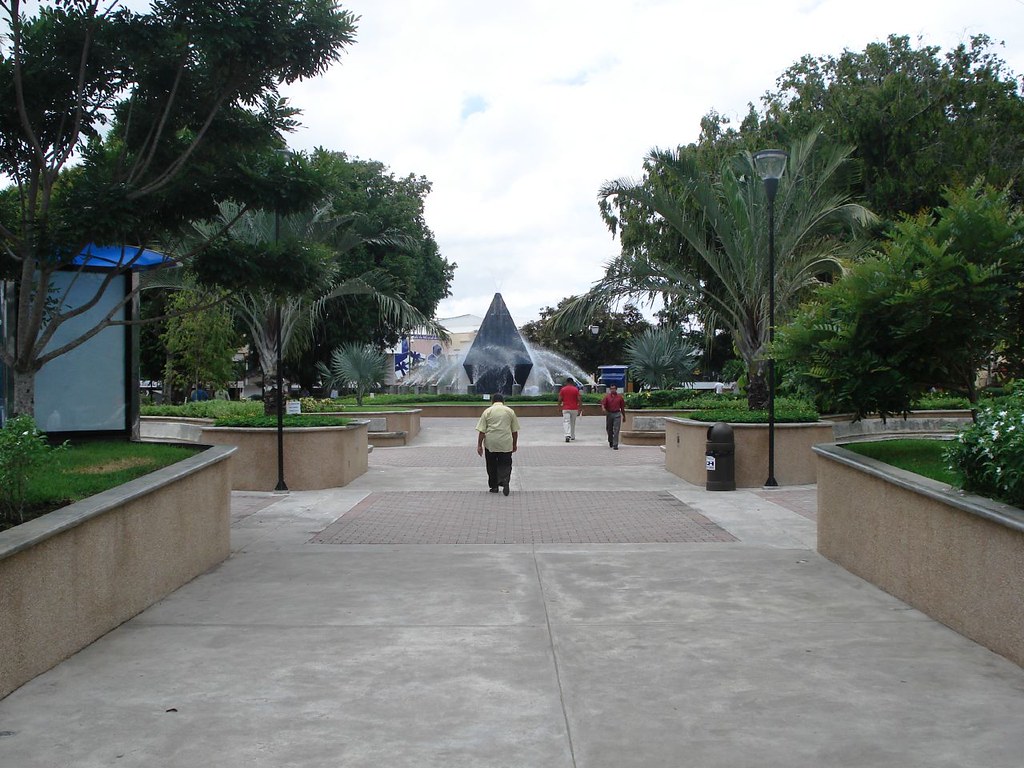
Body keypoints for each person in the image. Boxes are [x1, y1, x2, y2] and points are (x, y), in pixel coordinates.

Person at [476, 392, 520, 496]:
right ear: (503, 401)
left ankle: (494, 486)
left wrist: (479, 445)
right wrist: (514, 444)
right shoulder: (510, 411)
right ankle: (505, 480)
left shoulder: (487, 411)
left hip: (491, 443)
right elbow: (514, 431)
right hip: (506, 442)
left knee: (491, 464)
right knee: (505, 463)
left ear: (492, 401)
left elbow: (482, 431)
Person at [601, 383, 626, 450]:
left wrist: (624, 416)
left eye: (614, 389)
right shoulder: (607, 397)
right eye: (611, 389)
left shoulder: (620, 397)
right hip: (609, 414)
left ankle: (615, 444)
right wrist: (603, 408)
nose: (613, 390)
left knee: (616, 430)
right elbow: (603, 404)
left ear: (616, 389)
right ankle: (610, 440)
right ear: (610, 389)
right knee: (609, 429)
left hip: (617, 414)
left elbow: (622, 407)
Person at [557, 377, 582, 442]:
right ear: (572, 382)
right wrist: (580, 408)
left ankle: (567, 435)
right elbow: (579, 399)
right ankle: (572, 436)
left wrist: (559, 407)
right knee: (573, 422)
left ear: (567, 382)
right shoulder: (576, 389)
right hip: (574, 408)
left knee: (566, 421)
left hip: (565, 408)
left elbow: (560, 399)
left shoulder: (563, 389)